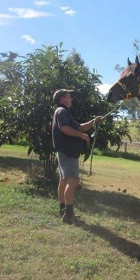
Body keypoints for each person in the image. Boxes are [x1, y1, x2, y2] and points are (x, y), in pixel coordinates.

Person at [52, 89, 104, 224]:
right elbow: (64, 128)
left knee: (64, 180)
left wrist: (94, 121)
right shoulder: (62, 112)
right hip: (68, 152)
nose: (72, 99)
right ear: (63, 98)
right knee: (73, 181)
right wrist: (81, 136)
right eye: (69, 97)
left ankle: (63, 210)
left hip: (64, 151)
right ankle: (69, 216)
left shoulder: (62, 112)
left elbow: (79, 127)